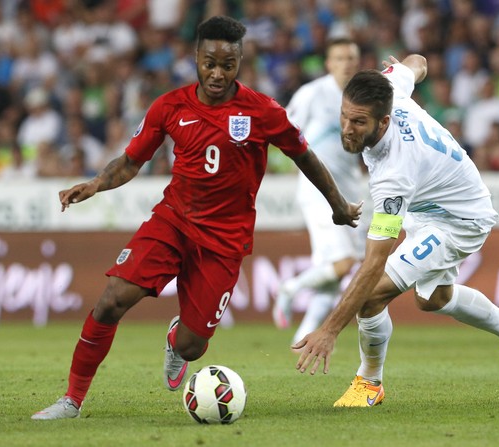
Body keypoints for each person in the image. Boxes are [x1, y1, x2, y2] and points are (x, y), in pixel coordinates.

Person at [31, 15, 361, 420]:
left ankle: (176, 340)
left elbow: (305, 157)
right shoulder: (169, 106)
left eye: (228, 64)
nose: (218, 73)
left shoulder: (263, 111)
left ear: (240, 61)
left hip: (223, 242)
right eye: (210, 63)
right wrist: (97, 183)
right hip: (173, 221)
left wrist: (338, 204)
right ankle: (72, 400)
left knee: (192, 346)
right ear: (196, 59)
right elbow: (132, 161)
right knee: (111, 301)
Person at [293, 54, 499, 407]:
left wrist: (329, 330)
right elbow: (418, 62)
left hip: (458, 220)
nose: (347, 128)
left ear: (383, 122)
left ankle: (369, 382)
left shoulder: (393, 172)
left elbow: (372, 266)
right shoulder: (391, 89)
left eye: (358, 122)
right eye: (344, 117)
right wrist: (406, 66)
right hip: (432, 205)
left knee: (370, 296)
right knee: (433, 299)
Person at [272, 38, 366, 347]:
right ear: (329, 63)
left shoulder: (363, 98)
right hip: (318, 191)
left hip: (351, 189)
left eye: (351, 57)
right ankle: (290, 288)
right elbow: (283, 128)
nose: (347, 63)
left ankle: (302, 338)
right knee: (345, 262)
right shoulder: (313, 94)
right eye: (340, 58)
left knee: (336, 273)